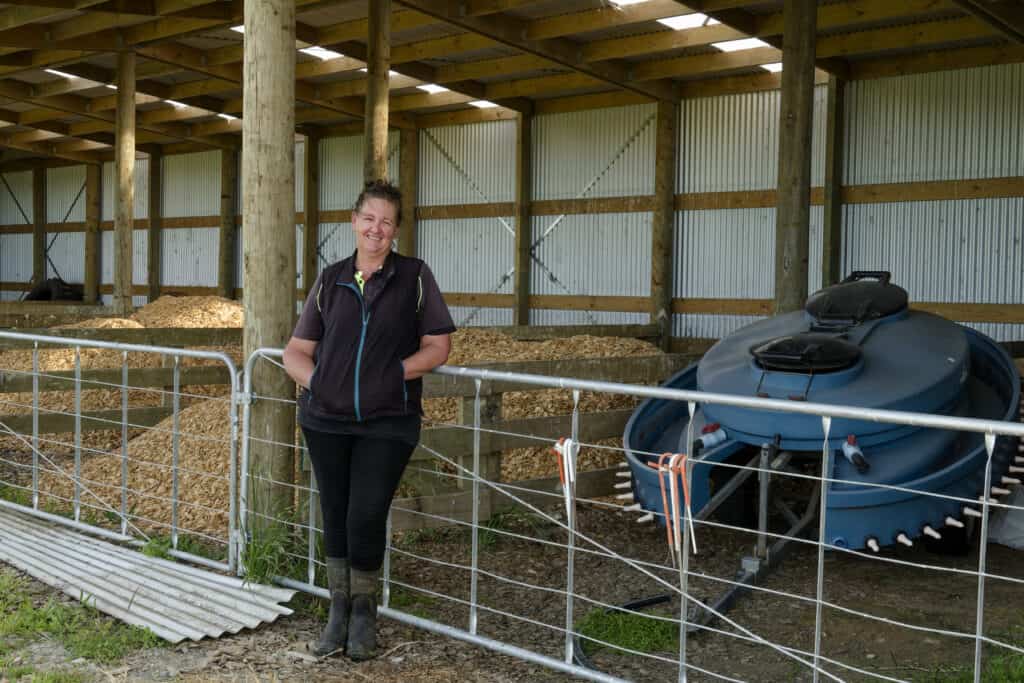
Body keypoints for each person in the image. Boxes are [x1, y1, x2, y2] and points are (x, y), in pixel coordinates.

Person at [283, 179, 455, 660]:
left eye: (387, 221)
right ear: (354, 221)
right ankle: (337, 607)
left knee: (366, 512)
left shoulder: (414, 278)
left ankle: (365, 609)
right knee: (334, 513)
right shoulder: (330, 279)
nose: (376, 228)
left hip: (388, 419)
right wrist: (320, 384)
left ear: (396, 230)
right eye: (369, 218)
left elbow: (438, 346)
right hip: (325, 420)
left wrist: (391, 374)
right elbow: (295, 351)